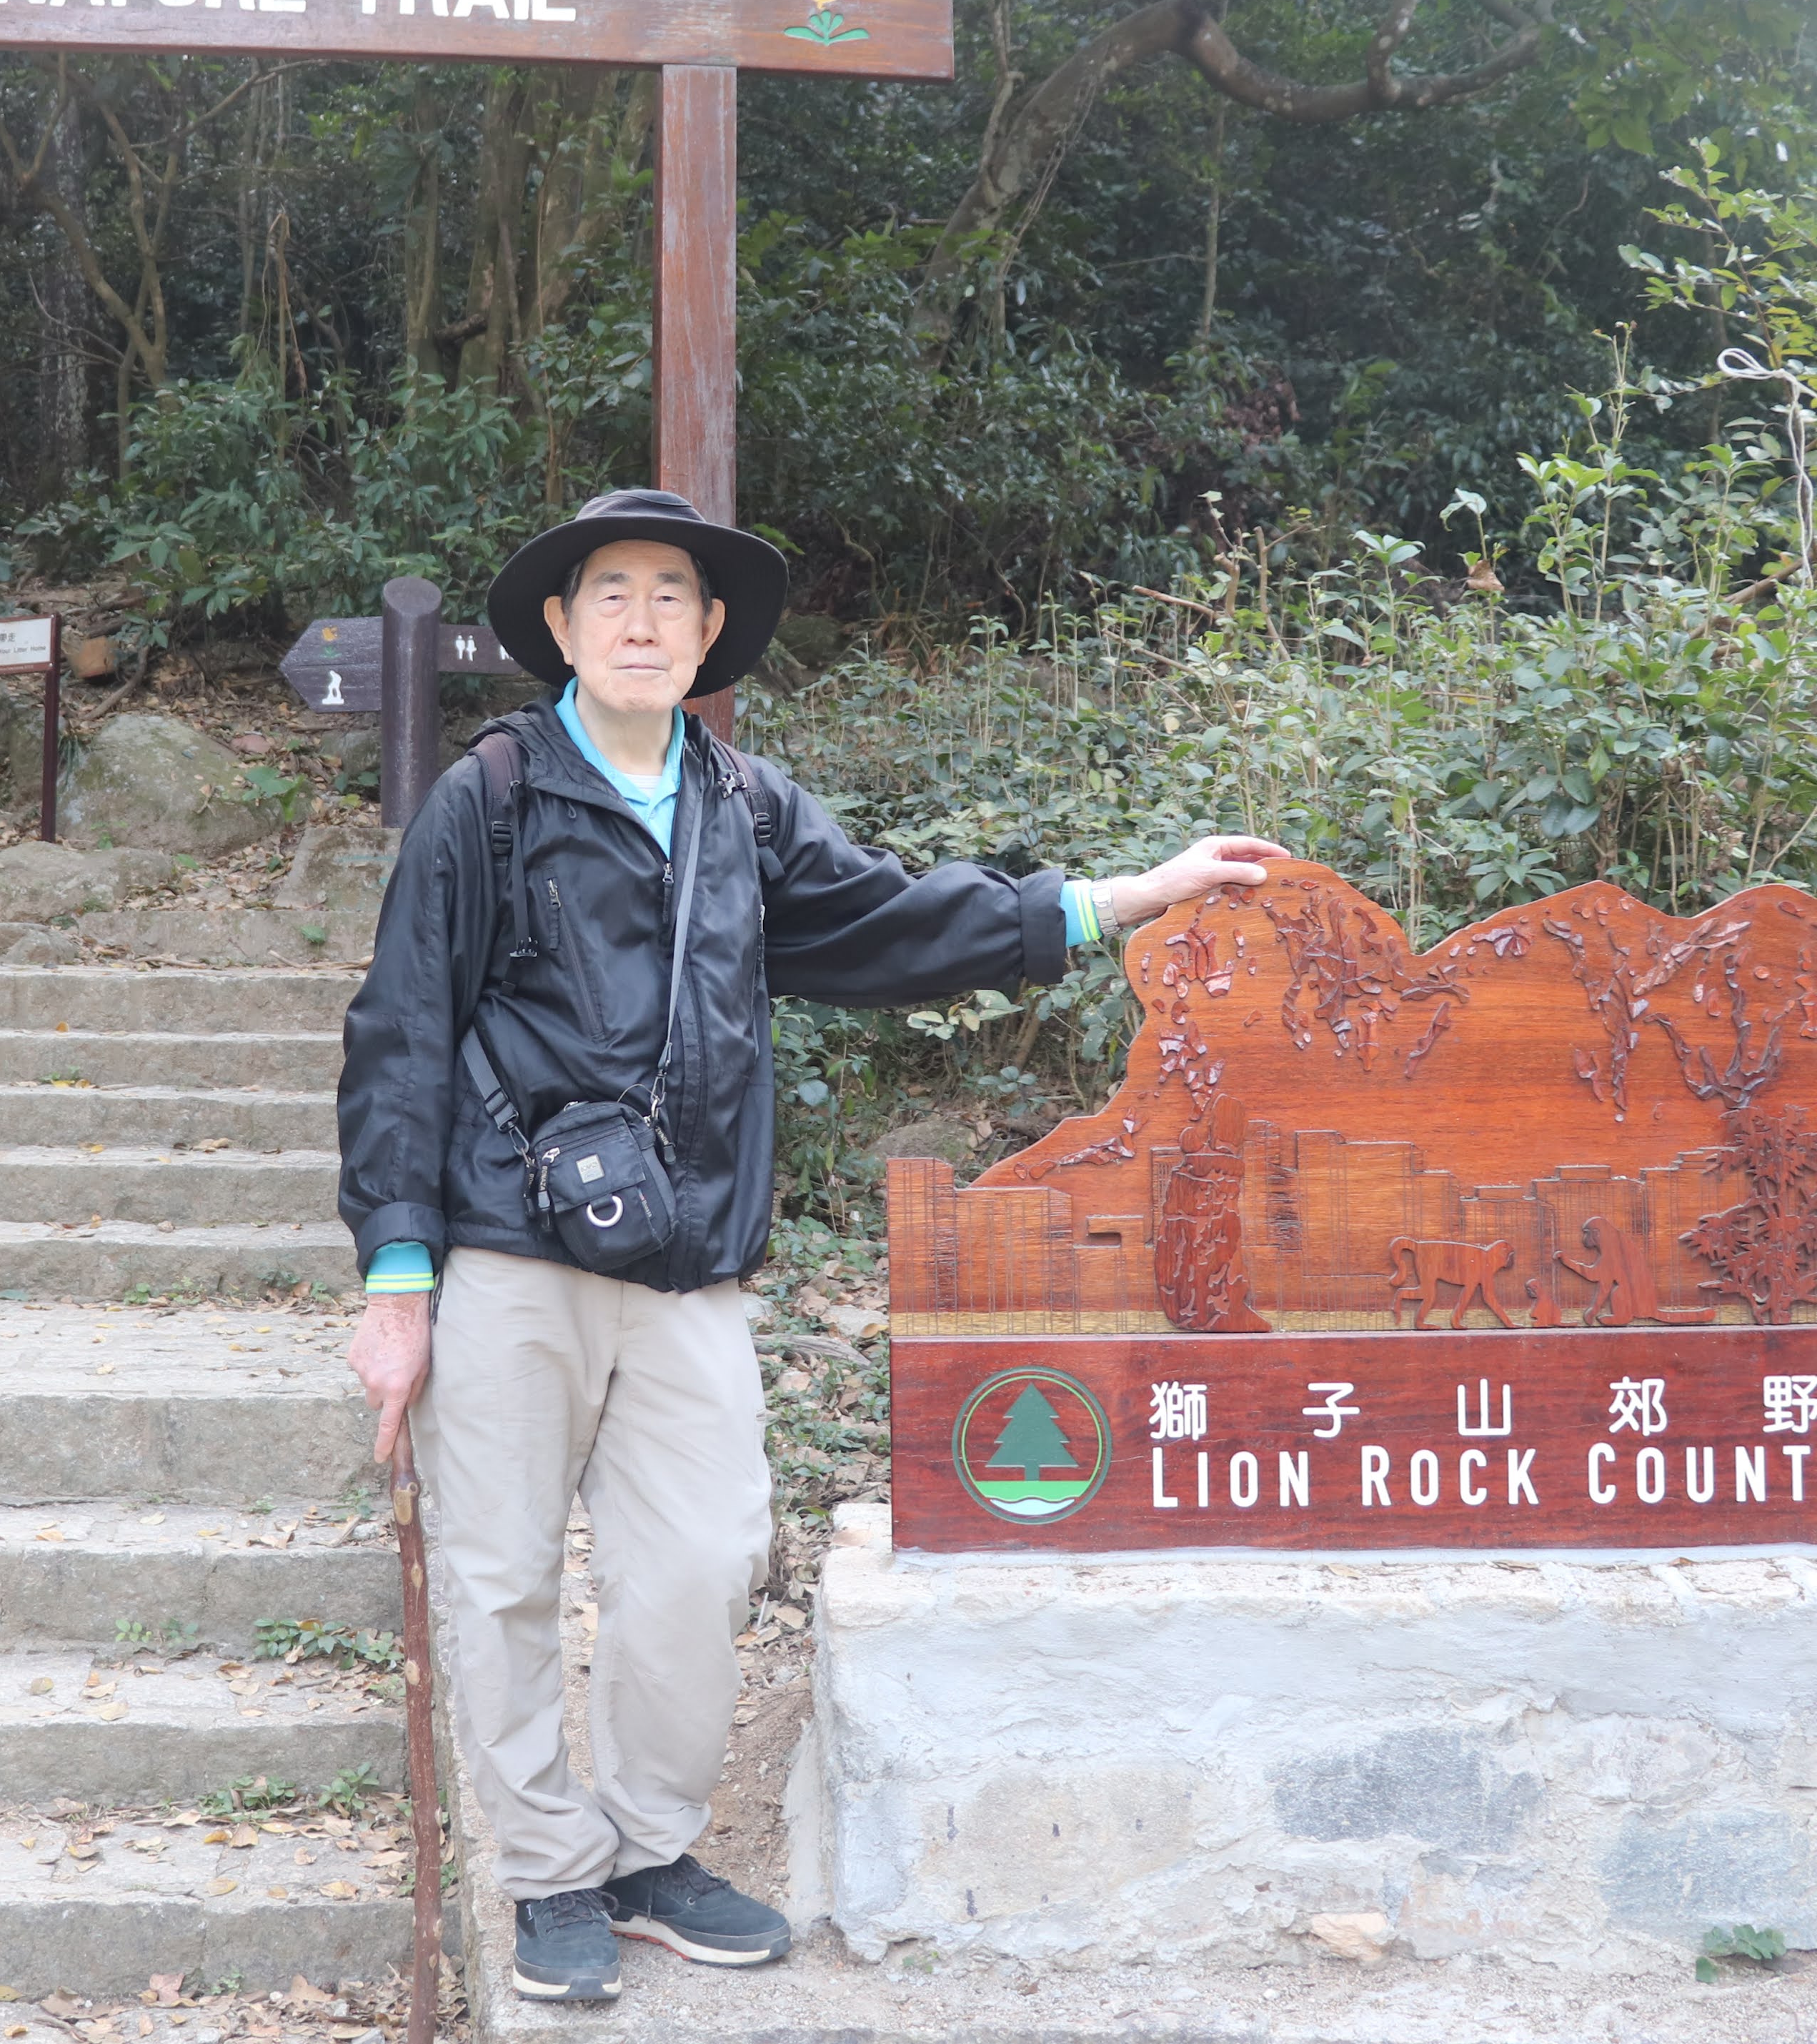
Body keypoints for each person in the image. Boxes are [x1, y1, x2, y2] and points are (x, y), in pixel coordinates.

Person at [336, 487, 1283, 2003]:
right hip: (507, 1246)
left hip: (686, 1263)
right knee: (501, 1575)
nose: (642, 618)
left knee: (701, 1562)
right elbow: (401, 1026)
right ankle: (547, 1873)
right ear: (562, 629)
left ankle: (646, 1851)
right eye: (610, 593)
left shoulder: (743, 806)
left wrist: (1116, 901)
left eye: (671, 594)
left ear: (710, 631)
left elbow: (893, 923)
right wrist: (396, 1275)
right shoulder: (492, 796)